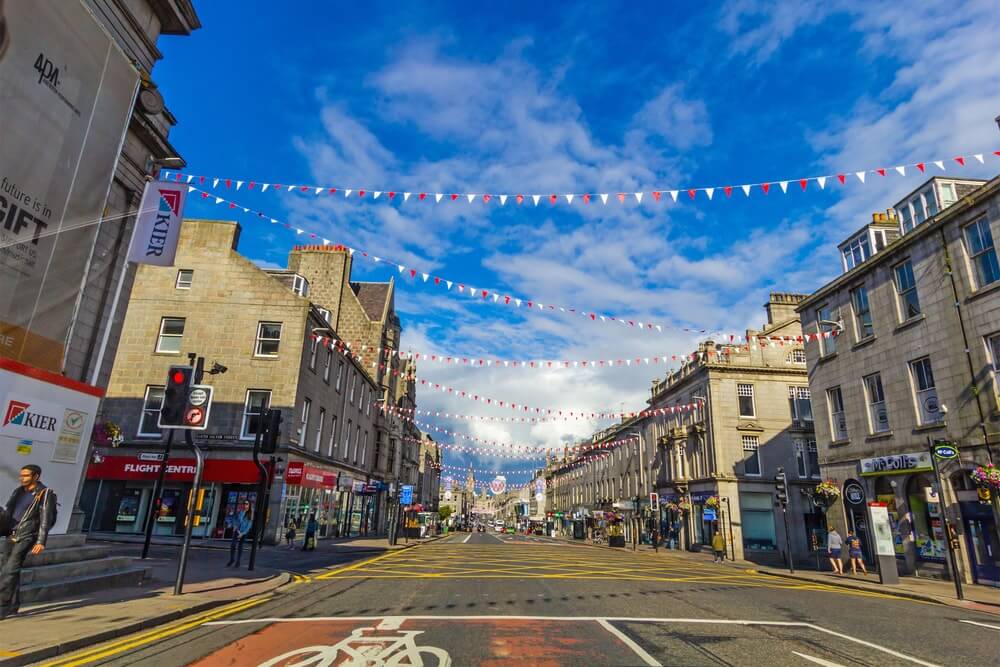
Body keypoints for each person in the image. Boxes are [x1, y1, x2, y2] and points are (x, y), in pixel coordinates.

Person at [1, 465, 57, 619]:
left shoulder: (45, 493)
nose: (22, 478)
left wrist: (41, 541)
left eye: (26, 475)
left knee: (9, 571)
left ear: (36, 476)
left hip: (27, 536)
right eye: (21, 475)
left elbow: (46, 519)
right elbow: (9, 512)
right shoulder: (18, 491)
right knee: (9, 570)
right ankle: (13, 604)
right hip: (11, 534)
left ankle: (2, 606)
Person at [226, 501, 252, 567]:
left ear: (249, 506)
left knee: (240, 546)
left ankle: (238, 561)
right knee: (233, 545)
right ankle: (232, 559)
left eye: (246, 504)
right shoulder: (239, 512)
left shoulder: (250, 515)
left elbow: (248, 526)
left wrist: (242, 533)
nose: (245, 505)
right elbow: (235, 521)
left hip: (244, 533)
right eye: (244, 504)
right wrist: (236, 528)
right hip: (237, 531)